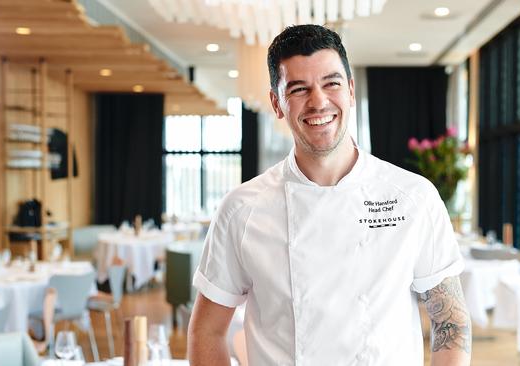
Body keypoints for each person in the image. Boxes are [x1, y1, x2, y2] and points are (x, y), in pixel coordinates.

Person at [187, 24, 471, 365]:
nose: (318, 101)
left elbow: (450, 321)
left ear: (351, 90)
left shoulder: (414, 197)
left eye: (331, 83)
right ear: (277, 104)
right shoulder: (241, 209)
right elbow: (207, 331)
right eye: (299, 89)